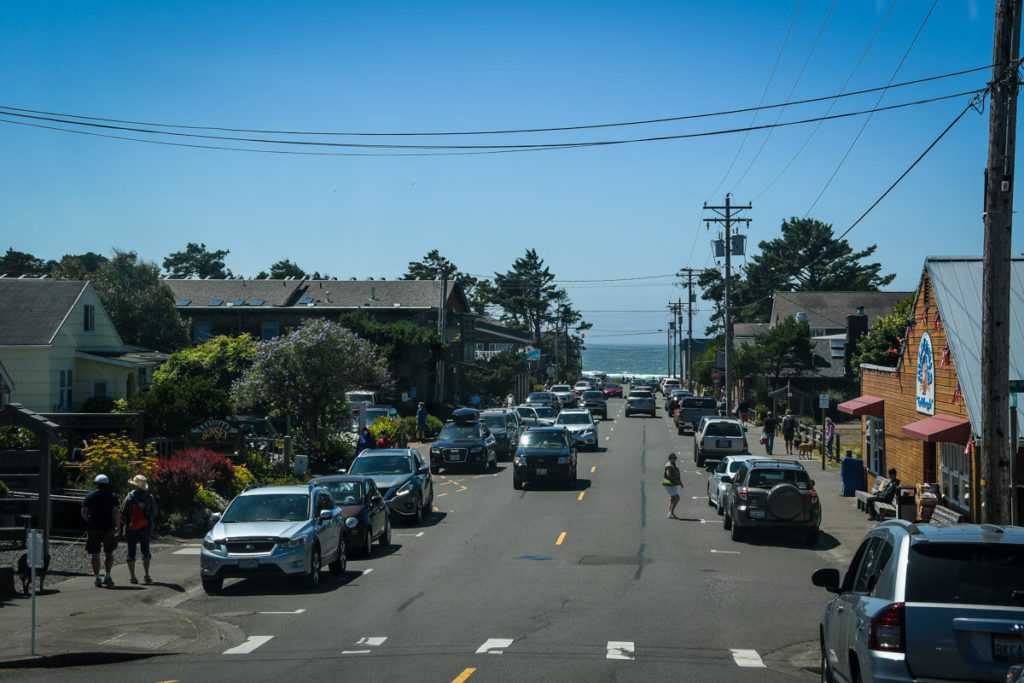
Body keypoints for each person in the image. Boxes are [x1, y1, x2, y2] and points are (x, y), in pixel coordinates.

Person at [81, 474, 121, 588]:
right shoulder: (113, 496)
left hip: (94, 528)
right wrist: (118, 527)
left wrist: (89, 521)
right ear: (107, 485)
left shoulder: (90, 496)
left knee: (95, 553)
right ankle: (108, 576)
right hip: (109, 527)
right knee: (109, 552)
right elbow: (116, 512)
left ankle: (97, 578)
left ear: (96, 484)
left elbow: (83, 512)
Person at [121, 474, 157, 585]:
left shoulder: (129, 497)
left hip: (131, 527)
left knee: (131, 551)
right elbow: (154, 512)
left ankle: (133, 577)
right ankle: (146, 575)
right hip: (145, 527)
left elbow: (123, 512)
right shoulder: (149, 497)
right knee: (145, 551)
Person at [662, 453, 683, 519]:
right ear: (670, 458)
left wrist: (680, 483)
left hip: (672, 484)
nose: (674, 459)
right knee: (677, 498)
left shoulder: (673, 465)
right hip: (669, 484)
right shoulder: (669, 465)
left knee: (672, 498)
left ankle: (670, 513)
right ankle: (671, 512)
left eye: (675, 458)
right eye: (673, 458)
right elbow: (668, 475)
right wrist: (676, 481)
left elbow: (676, 474)